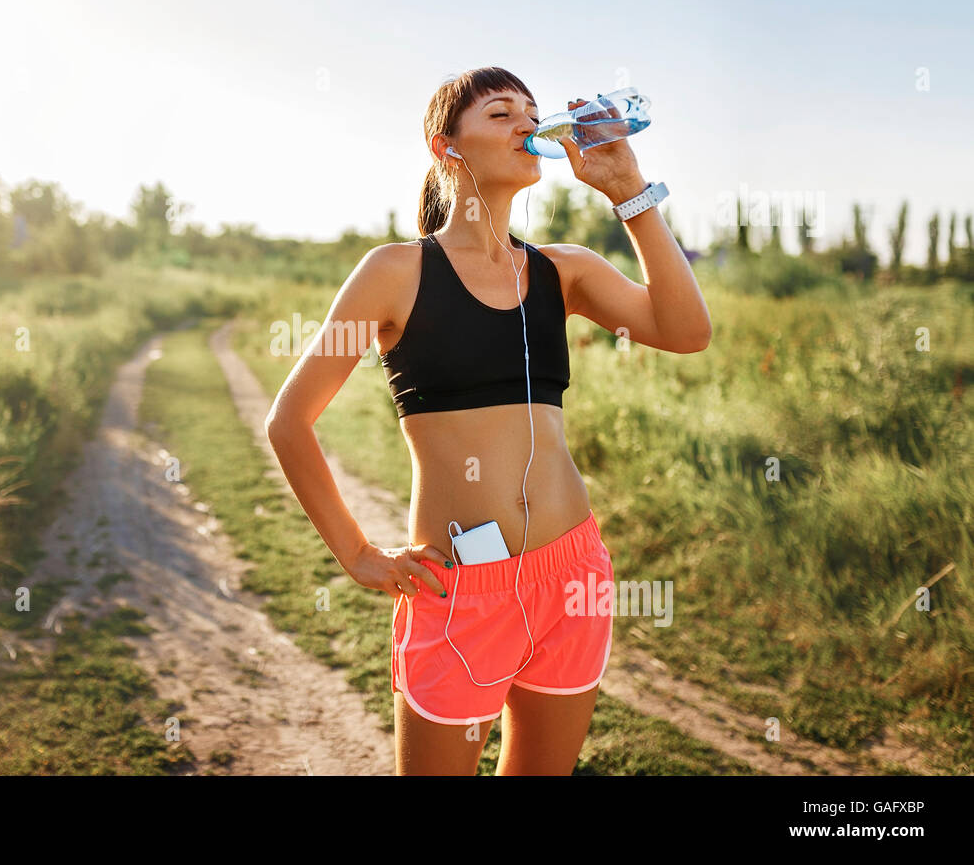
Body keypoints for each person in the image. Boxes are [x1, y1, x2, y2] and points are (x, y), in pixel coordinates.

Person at [264, 66, 712, 775]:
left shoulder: (565, 270)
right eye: (502, 114)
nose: (528, 126)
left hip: (573, 578)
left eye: (532, 114)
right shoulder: (394, 273)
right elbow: (290, 420)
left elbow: (686, 331)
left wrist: (630, 192)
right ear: (446, 147)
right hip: (459, 590)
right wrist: (356, 554)